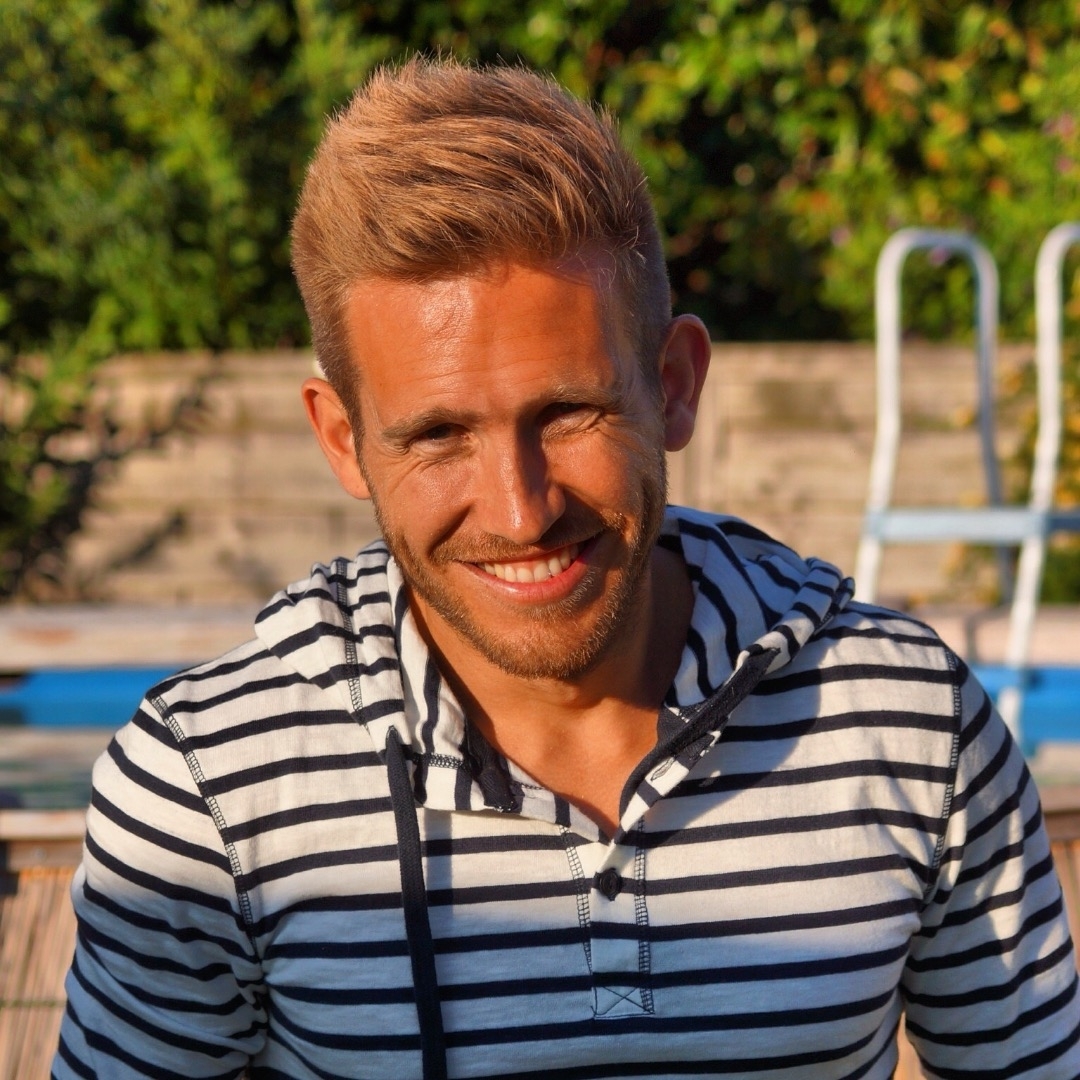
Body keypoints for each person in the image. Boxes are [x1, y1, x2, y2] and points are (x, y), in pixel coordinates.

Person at [53, 58, 1079, 1080]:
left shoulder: (909, 720)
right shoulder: (209, 784)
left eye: (568, 412)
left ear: (674, 386)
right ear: (342, 440)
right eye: (438, 434)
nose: (520, 511)